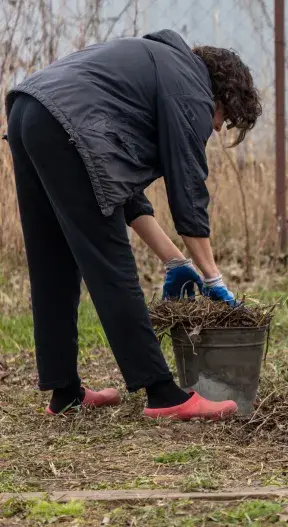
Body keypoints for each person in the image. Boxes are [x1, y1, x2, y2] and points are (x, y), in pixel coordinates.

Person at [3, 29, 262, 420]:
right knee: (113, 266)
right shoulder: (191, 88)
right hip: (63, 124)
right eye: (223, 120)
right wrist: (214, 279)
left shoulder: (155, 71)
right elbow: (187, 190)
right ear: (221, 94)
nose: (215, 129)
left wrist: (174, 260)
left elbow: (117, 187)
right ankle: (164, 395)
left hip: (29, 112)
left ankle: (65, 392)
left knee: (52, 260)